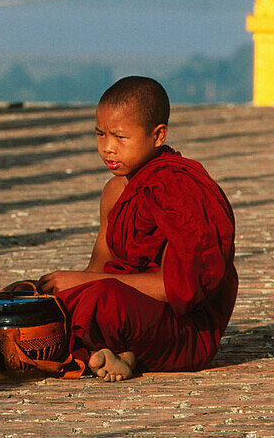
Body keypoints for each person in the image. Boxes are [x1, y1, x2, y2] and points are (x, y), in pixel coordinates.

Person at [35, 76, 237, 381]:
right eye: (100, 135)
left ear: (157, 135)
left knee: (98, 299)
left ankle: (102, 351)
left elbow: (174, 289)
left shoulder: (178, 190)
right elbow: (97, 269)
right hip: (132, 314)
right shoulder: (114, 193)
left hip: (186, 331)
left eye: (119, 137)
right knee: (33, 296)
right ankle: (120, 355)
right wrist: (68, 287)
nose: (107, 149)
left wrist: (84, 285)